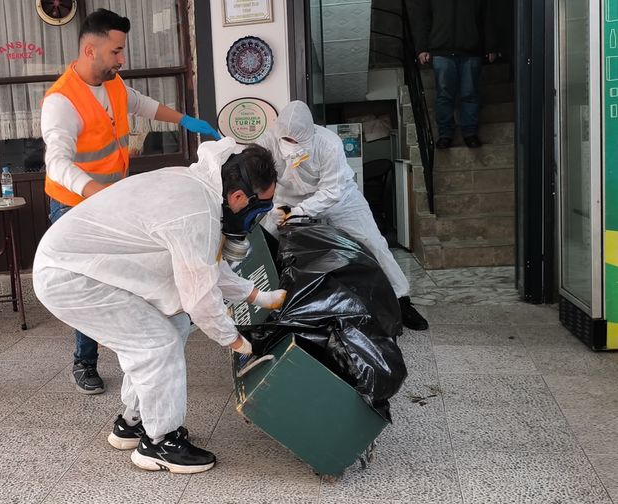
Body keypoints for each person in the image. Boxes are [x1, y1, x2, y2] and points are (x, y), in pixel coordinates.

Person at [34, 137, 284, 474]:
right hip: (69, 274)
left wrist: (258, 296)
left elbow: (206, 269)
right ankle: (159, 442)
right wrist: (238, 343)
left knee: (174, 324)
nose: (257, 216)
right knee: (156, 342)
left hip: (85, 264)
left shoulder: (199, 187)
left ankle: (133, 421)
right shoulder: (198, 210)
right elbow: (201, 299)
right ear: (239, 197)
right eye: (260, 207)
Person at [41, 8, 222, 395]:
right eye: (116, 52)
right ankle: (84, 363)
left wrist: (187, 121)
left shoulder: (113, 84)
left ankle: (137, 346)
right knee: (88, 282)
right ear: (90, 50)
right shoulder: (61, 102)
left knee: (127, 273)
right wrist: (96, 196)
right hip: (75, 206)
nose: (121, 60)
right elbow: (56, 162)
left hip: (111, 200)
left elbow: (141, 104)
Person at [256, 101, 429, 331]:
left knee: (373, 242)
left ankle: (401, 299)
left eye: (296, 141)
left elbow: (331, 192)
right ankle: (265, 303)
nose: (290, 145)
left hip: (340, 198)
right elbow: (256, 178)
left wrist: (296, 213)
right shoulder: (266, 142)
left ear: (310, 133)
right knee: (265, 240)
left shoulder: (329, 144)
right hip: (288, 199)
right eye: (286, 140)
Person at [411, 0, 498, 149]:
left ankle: (470, 133)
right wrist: (421, 48)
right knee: (444, 96)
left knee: (469, 94)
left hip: (471, 50)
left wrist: (491, 46)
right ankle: (445, 135)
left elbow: (488, 18)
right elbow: (423, 18)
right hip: (441, 50)